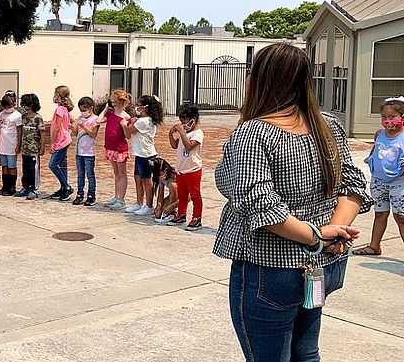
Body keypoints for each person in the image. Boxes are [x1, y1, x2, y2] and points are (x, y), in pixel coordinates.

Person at [214, 43, 371, 361]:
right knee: (307, 354)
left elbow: (262, 206)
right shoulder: (327, 126)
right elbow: (353, 187)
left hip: (270, 270)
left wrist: (318, 236)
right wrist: (335, 230)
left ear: (258, 79)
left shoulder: (254, 133)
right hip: (322, 265)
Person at [354, 97, 404, 256]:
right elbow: (376, 149)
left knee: (401, 217)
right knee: (380, 213)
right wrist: (370, 158)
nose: (387, 120)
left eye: (392, 117)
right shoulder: (379, 134)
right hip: (378, 181)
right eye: (384, 117)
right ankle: (374, 246)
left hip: (399, 182)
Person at [123, 94, 163, 216]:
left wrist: (124, 124)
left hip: (146, 155)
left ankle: (149, 205)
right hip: (139, 153)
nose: (137, 107)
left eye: (139, 105)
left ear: (145, 108)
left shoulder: (144, 121)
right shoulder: (143, 120)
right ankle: (139, 202)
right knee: (137, 178)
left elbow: (128, 133)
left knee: (147, 181)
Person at [168, 104, 205, 230]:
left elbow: (189, 146)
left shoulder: (198, 133)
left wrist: (183, 132)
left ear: (192, 120)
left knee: (195, 195)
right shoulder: (185, 133)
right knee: (182, 194)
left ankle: (197, 217)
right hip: (181, 168)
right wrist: (171, 135)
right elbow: (175, 145)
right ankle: (181, 214)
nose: (183, 123)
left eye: (185, 120)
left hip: (192, 169)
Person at [97, 89, 133, 210]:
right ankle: (117, 196)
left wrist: (124, 125)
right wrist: (106, 109)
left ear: (117, 101)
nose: (110, 100)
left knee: (122, 173)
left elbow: (128, 135)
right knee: (116, 173)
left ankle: (121, 199)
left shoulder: (126, 117)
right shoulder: (110, 114)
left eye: (112, 98)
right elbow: (98, 120)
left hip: (120, 148)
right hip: (110, 147)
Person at [15, 93, 44, 200]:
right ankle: (25, 187)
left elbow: (42, 133)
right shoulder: (23, 117)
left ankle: (34, 189)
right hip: (25, 149)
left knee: (33, 170)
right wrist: (19, 146)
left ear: (31, 105)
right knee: (25, 169)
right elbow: (21, 132)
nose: (24, 106)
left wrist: (42, 148)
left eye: (25, 104)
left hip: (34, 149)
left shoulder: (38, 118)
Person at [72, 97, 100, 206]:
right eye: (81, 110)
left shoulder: (95, 119)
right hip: (79, 152)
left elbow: (93, 134)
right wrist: (73, 127)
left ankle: (91, 195)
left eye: (85, 110)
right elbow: (76, 134)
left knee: (90, 174)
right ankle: (79, 194)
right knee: (80, 174)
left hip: (89, 152)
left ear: (91, 108)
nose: (83, 112)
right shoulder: (80, 118)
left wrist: (83, 126)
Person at [48, 85, 74, 201]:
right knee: (62, 165)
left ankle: (67, 186)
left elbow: (58, 127)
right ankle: (64, 188)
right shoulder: (64, 109)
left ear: (58, 95)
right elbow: (72, 121)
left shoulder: (60, 109)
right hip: (65, 139)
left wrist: (52, 143)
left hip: (61, 141)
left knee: (53, 164)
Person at [0, 94, 23, 196]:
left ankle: (12, 187)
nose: (7, 108)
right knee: (4, 166)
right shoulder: (1, 114)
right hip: (2, 144)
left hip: (11, 145)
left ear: (14, 104)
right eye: (5, 106)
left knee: (12, 166)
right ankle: (5, 186)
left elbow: (19, 131)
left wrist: (18, 145)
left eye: (9, 106)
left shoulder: (17, 115)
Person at [151, 157, 179, 224]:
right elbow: (160, 195)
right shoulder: (161, 178)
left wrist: (171, 207)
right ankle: (170, 210)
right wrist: (158, 206)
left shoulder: (175, 176)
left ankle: (173, 212)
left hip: (182, 197)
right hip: (173, 197)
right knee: (161, 212)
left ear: (165, 170)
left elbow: (187, 198)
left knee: (172, 186)